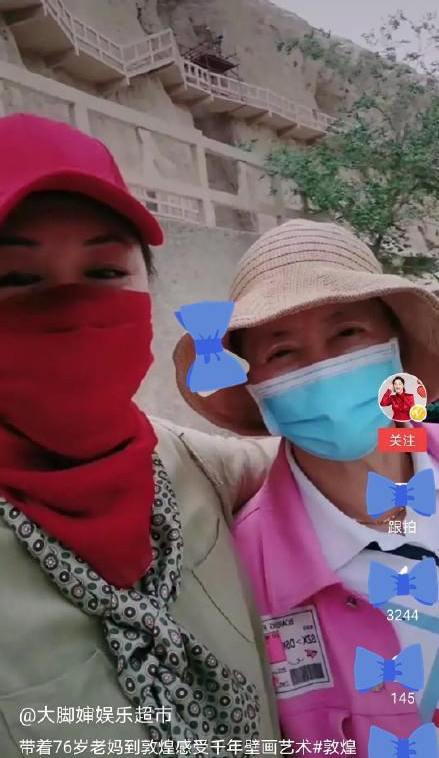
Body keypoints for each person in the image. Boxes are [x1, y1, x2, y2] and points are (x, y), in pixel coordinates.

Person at [0, 113, 281, 755]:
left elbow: (330, 464)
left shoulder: (197, 467)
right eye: (15, 279)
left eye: (104, 273)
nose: (72, 308)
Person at [174, 219, 439, 755]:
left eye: (348, 333)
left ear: (396, 348)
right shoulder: (239, 574)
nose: (323, 368)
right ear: (256, 389)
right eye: (282, 353)